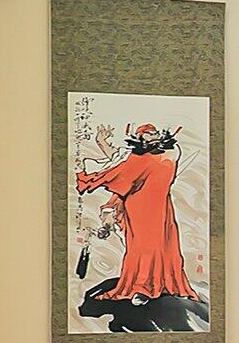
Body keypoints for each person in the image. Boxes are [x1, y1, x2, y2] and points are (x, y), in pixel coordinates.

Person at [74, 122, 196, 305]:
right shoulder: (136, 158)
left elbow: (122, 165)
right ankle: (141, 288)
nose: (152, 134)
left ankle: (169, 284)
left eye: (154, 132)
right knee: (143, 247)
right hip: (138, 207)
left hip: (162, 206)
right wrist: (101, 141)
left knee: (166, 245)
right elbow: (119, 166)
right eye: (147, 133)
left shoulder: (171, 152)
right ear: (140, 138)